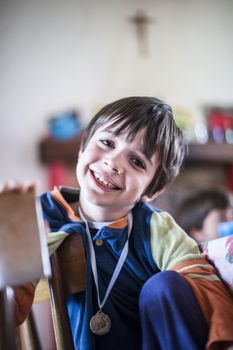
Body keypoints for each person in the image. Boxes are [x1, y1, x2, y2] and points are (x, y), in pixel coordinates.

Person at [6, 97, 233, 349]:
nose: (113, 163)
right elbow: (9, 310)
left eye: (136, 161)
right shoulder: (44, 215)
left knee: (164, 286)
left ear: (151, 191)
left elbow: (202, 281)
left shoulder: (155, 227)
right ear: (82, 148)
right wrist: (13, 256)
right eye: (106, 142)